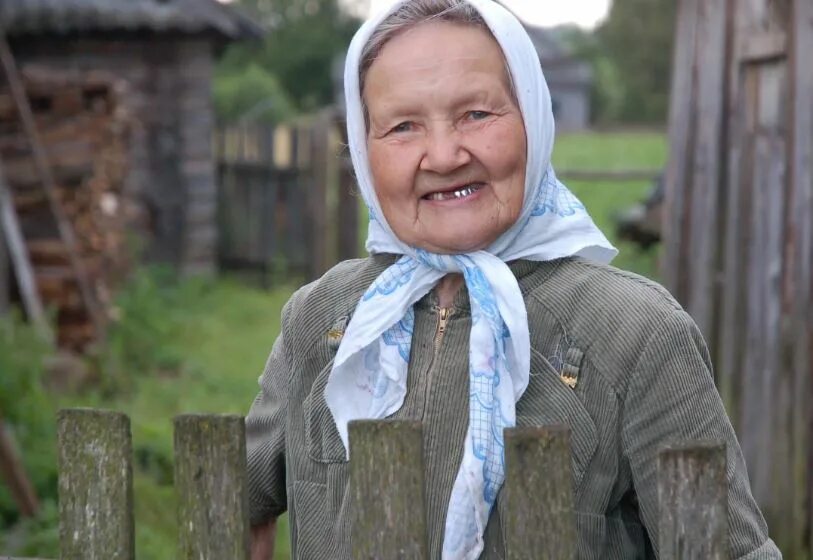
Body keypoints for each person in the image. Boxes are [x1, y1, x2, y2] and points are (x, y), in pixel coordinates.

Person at [245, 0, 781, 558]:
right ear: (363, 146)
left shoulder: (636, 333)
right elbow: (239, 502)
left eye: (476, 114)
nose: (445, 155)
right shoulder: (321, 318)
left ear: (534, 118)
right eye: (403, 126)